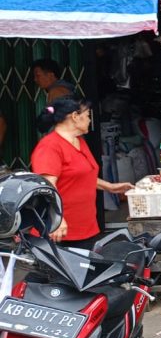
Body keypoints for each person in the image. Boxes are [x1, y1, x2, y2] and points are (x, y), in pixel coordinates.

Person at [30, 96, 132, 246]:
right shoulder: (50, 146)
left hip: (85, 227)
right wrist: (56, 219)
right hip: (60, 232)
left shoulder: (79, 141)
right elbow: (46, 187)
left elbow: (82, 176)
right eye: (88, 115)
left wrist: (110, 187)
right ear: (75, 116)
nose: (90, 120)